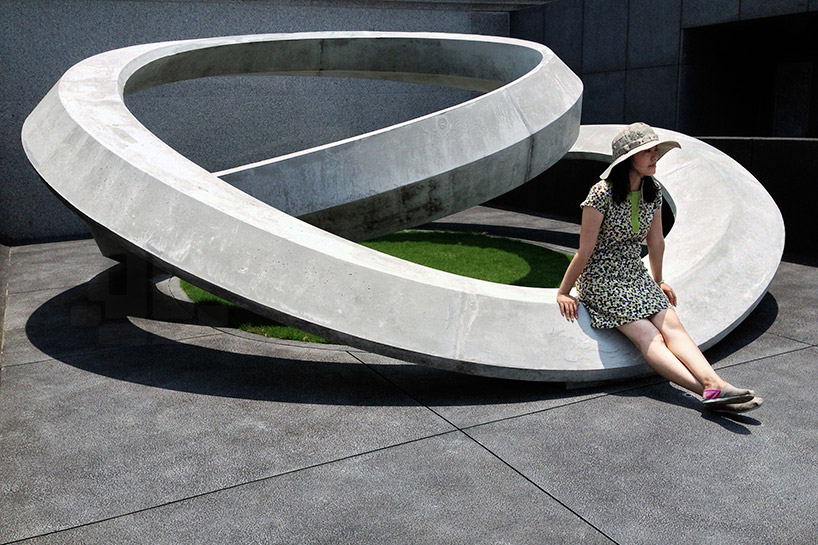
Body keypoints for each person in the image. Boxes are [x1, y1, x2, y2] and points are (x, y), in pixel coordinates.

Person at [556, 123, 762, 413]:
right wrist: (564, 292)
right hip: (601, 279)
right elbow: (585, 251)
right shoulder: (601, 193)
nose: (654, 157)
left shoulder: (651, 191)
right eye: (647, 152)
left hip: (634, 275)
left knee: (672, 325)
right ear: (629, 158)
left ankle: (714, 382)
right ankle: (707, 391)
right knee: (648, 336)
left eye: (655, 151)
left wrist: (659, 280)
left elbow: (656, 243)